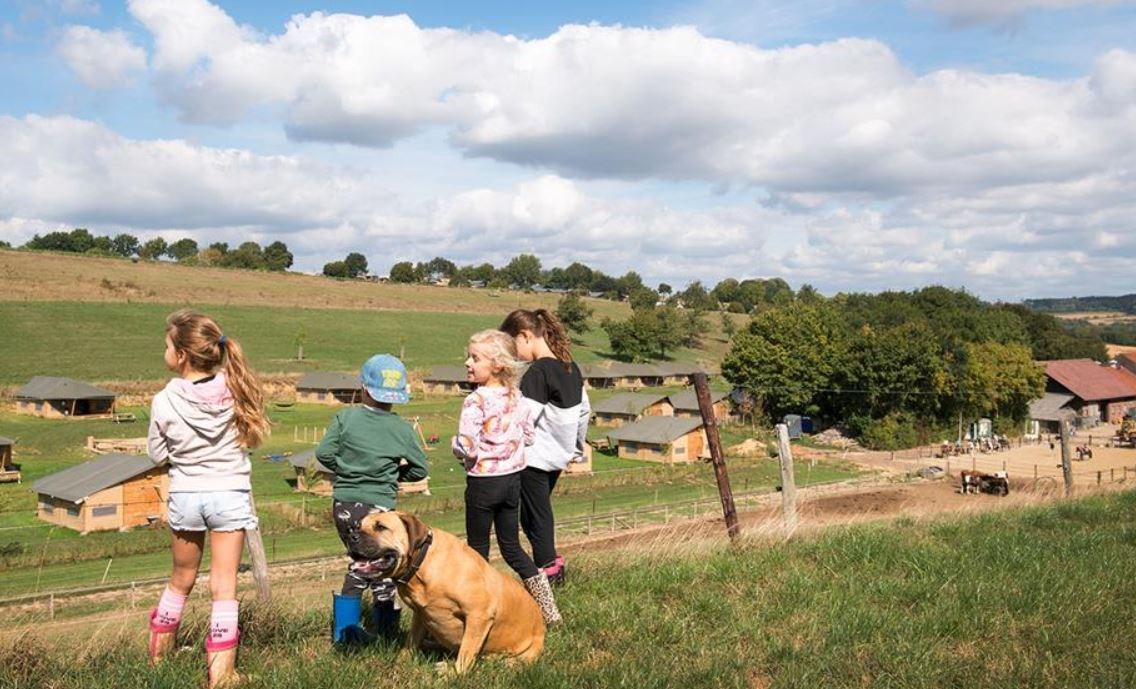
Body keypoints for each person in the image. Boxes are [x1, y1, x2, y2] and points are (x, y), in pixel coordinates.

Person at [147, 310, 269, 688]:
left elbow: (156, 455)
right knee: (224, 584)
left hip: (185, 495)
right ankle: (222, 673)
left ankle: (158, 657)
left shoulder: (164, 400)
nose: (164, 349)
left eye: (167, 344)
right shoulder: (237, 391)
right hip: (229, 495)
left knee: (181, 578)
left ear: (181, 356)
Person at [316, 354, 429, 646]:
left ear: (364, 388)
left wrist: (349, 470)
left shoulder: (345, 417)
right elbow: (420, 469)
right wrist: (390, 476)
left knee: (358, 563)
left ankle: (345, 634)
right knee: (384, 569)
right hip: (379, 510)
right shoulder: (402, 429)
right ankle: (387, 633)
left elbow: (323, 455)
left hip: (344, 506)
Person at [453, 329, 561, 624]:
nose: (467, 363)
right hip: (512, 482)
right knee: (512, 547)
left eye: (475, 358)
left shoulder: (475, 402)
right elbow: (528, 436)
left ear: (497, 365)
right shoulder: (519, 397)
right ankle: (549, 610)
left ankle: (479, 612)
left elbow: (467, 446)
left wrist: (456, 449)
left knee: (477, 552)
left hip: (482, 485)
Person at [499, 309, 591, 586]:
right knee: (533, 516)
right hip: (558, 456)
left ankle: (549, 578)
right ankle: (550, 570)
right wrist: (576, 447)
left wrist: (502, 448)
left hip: (534, 457)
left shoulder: (539, 371)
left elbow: (524, 419)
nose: (514, 356)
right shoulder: (570, 367)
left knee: (536, 519)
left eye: (512, 346)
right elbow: (584, 411)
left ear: (525, 336)